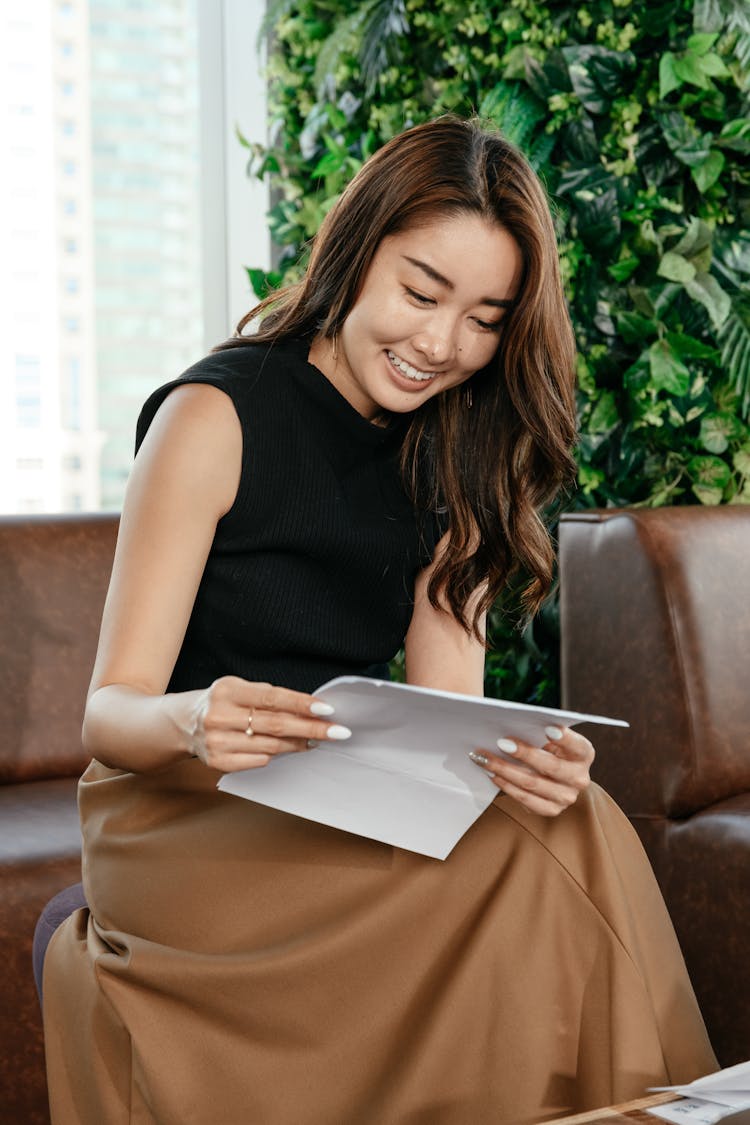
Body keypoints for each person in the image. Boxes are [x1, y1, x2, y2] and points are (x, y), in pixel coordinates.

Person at [41, 116, 716, 1124]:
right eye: (421, 292)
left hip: (345, 801)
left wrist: (518, 766)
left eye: (486, 317)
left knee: (566, 816)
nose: (443, 344)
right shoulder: (214, 417)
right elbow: (110, 714)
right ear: (357, 256)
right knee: (562, 849)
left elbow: (444, 718)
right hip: (184, 814)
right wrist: (192, 720)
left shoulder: (460, 448)